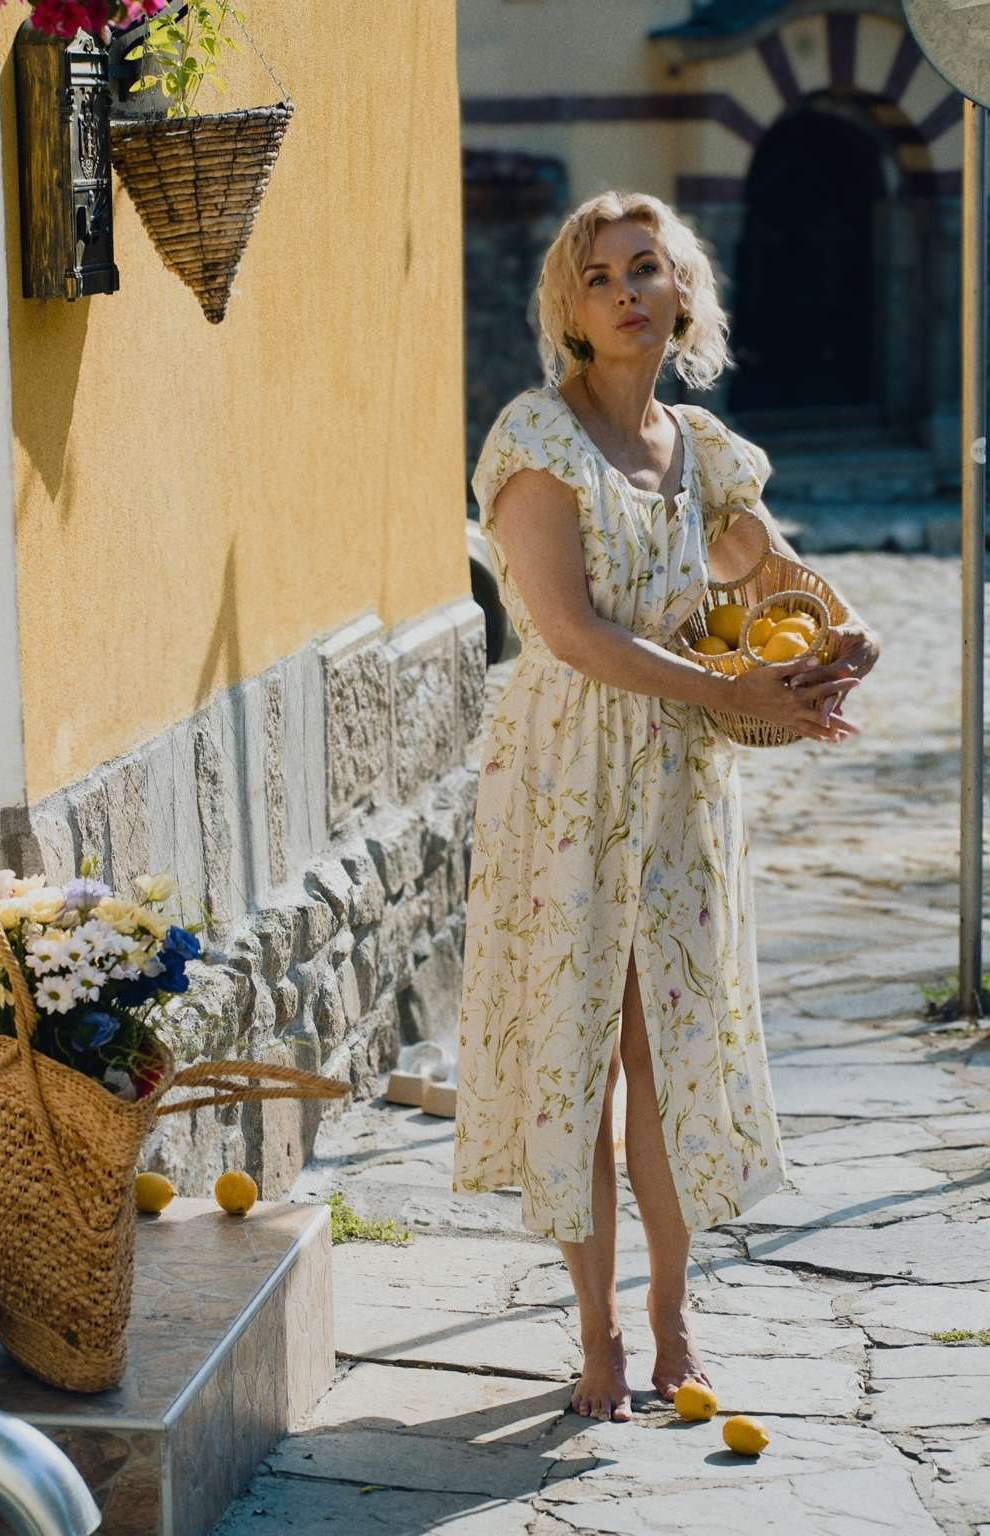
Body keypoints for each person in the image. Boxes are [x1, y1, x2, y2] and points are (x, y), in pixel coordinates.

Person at [451, 190, 881, 1423]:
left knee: (668, 1047)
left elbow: (777, 572)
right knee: (580, 1050)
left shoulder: (701, 450)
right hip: (567, 776)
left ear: (684, 292)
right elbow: (576, 636)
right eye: (598, 278)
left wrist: (838, 646)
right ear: (570, 313)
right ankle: (593, 1341)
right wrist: (728, 680)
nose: (627, 290)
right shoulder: (537, 439)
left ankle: (672, 1318)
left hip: (686, 780)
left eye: (647, 267)